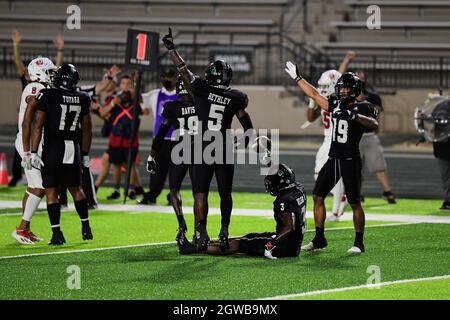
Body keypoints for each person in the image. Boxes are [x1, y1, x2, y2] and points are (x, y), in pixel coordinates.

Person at [162, 27, 255, 252]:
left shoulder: (201, 89)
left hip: (203, 145)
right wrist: (243, 142)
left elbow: (183, 70)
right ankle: (224, 230)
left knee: (200, 192)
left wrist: (172, 49)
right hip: (223, 145)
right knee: (225, 192)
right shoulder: (237, 98)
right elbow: (247, 125)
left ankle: (201, 231)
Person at [285, 61, 378, 254]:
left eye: (345, 89)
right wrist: (298, 78)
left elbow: (373, 124)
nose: (342, 92)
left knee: (354, 202)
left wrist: (353, 116)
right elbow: (314, 94)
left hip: (351, 159)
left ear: (354, 89)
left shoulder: (364, 107)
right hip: (333, 158)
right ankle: (319, 238)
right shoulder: (335, 103)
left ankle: (358, 242)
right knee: (318, 196)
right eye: (341, 88)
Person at [178, 164, 307, 259]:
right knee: (249, 237)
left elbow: (289, 228)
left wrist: (271, 244)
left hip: (284, 246)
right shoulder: (297, 189)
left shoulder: (283, 201)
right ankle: (209, 243)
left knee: (239, 244)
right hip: (292, 242)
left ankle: (196, 248)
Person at [29, 64, 93, 244]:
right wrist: (85, 154)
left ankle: (57, 234)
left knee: (51, 192)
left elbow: (38, 126)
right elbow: (87, 130)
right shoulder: (83, 98)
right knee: (77, 189)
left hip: (53, 148)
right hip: (72, 147)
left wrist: (33, 152)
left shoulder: (48, 95)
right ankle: (86, 227)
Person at [338, 51, 396, 204]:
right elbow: (338, 76)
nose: (359, 76)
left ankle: (387, 191)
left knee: (378, 164)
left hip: (368, 136)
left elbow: (376, 113)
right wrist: (347, 60)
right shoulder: (345, 95)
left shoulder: (372, 96)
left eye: (361, 75)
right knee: (355, 167)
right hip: (351, 136)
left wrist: (363, 103)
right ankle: (358, 193)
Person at [8, 30, 64, 187]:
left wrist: (60, 50)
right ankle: (18, 174)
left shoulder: (42, 84)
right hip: (31, 124)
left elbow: (55, 69)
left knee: (38, 182)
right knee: (39, 184)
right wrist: (15, 45)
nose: (51, 73)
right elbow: (18, 64)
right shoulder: (33, 86)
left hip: (36, 128)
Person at [146, 75, 197, 243]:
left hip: (180, 148)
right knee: (200, 193)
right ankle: (200, 229)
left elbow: (160, 134)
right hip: (200, 149)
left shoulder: (171, 107)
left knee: (174, 189)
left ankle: (182, 225)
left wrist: (151, 155)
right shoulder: (201, 105)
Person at [11, 57, 56, 244]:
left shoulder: (41, 88)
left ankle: (25, 228)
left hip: (32, 143)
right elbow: (27, 122)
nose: (52, 74)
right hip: (28, 144)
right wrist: (29, 153)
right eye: (50, 71)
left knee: (33, 187)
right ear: (40, 72)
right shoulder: (35, 88)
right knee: (40, 187)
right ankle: (22, 228)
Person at [305, 69, 347, 221]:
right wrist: (312, 101)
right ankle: (342, 195)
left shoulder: (340, 100)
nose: (321, 88)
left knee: (332, 174)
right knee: (319, 174)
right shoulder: (324, 98)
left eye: (325, 85)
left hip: (336, 140)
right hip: (326, 140)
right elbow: (310, 118)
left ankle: (336, 211)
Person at [98, 75, 142, 200]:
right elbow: (103, 113)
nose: (126, 85)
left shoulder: (136, 98)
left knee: (131, 165)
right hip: (116, 138)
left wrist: (135, 92)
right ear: (120, 85)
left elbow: (144, 110)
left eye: (129, 83)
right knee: (116, 165)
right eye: (123, 83)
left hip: (131, 138)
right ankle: (117, 189)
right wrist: (113, 103)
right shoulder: (113, 98)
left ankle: (132, 189)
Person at [140, 69, 179, 205]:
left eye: (170, 77)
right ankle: (151, 196)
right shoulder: (155, 94)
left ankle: (173, 197)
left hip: (177, 140)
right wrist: (135, 82)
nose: (167, 80)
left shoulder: (181, 95)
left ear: (176, 79)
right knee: (156, 171)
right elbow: (139, 100)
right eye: (165, 77)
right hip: (159, 140)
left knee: (176, 172)